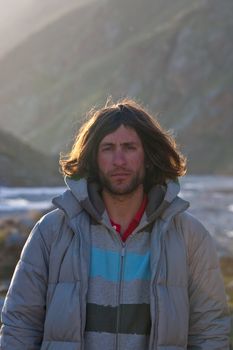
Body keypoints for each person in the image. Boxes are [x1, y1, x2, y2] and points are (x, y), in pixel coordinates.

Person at [0, 99, 230, 349]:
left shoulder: (190, 236)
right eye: (108, 148)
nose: (119, 160)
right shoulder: (52, 232)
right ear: (93, 158)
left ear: (148, 156)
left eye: (130, 147)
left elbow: (209, 332)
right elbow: (20, 325)